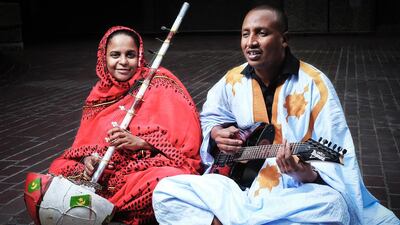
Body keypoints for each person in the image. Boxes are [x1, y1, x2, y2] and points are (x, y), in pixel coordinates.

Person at [152, 5, 400, 225]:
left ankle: (228, 220)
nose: (251, 42)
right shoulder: (231, 80)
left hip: (293, 191)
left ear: (284, 39)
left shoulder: (315, 84)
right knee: (166, 190)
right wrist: (216, 133)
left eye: (262, 32)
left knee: (331, 206)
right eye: (245, 33)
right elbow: (209, 118)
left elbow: (335, 164)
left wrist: (301, 171)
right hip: (239, 183)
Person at [48, 26, 202, 225]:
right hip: (105, 173)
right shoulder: (99, 94)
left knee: (168, 180)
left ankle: (103, 207)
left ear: (139, 56)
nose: (122, 62)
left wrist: (141, 142)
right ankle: (105, 206)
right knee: (59, 167)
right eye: (115, 55)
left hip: (143, 169)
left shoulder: (161, 81)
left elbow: (186, 143)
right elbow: (83, 144)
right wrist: (89, 160)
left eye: (130, 55)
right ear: (104, 58)